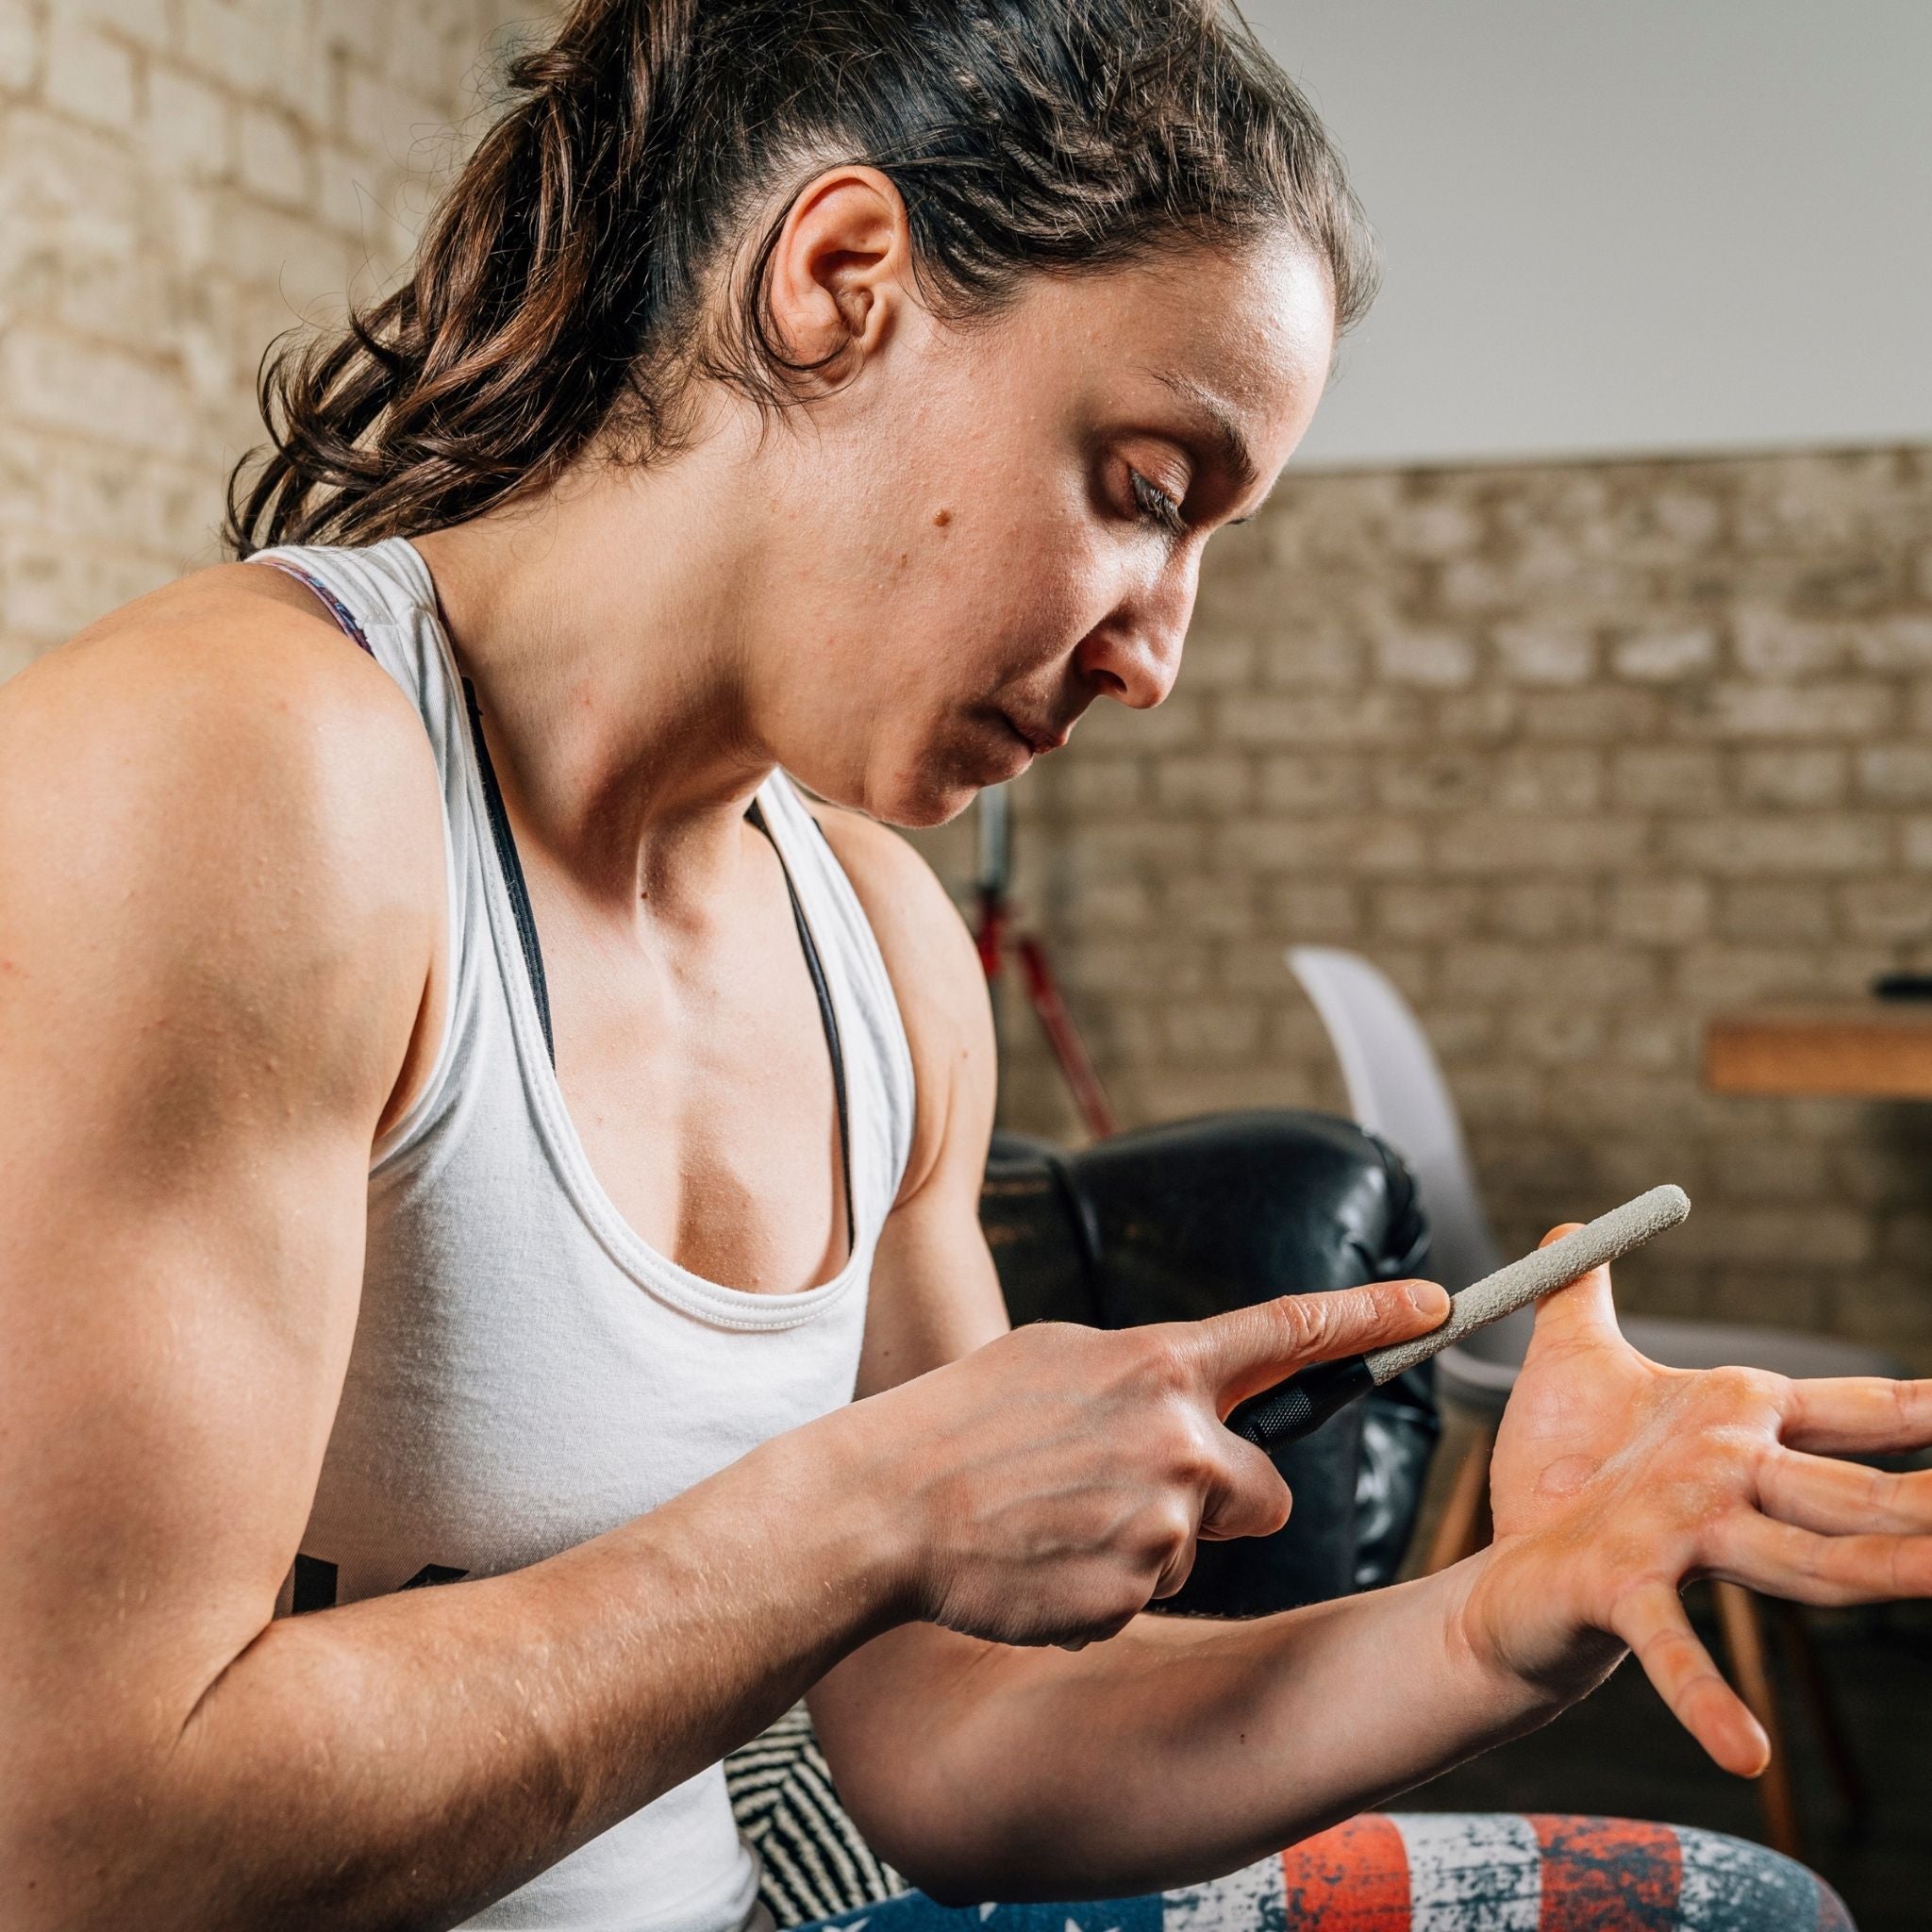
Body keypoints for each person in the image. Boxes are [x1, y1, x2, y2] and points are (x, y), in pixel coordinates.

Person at [0, 2, 1921, 1927]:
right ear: (842, 281)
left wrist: (1513, 1605)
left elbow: (960, 1748)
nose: (1153, 655)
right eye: (1145, 487)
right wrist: (875, 1507)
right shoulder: (239, 776)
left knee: (1745, 1911)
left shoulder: (878, 945)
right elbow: (79, 1844)